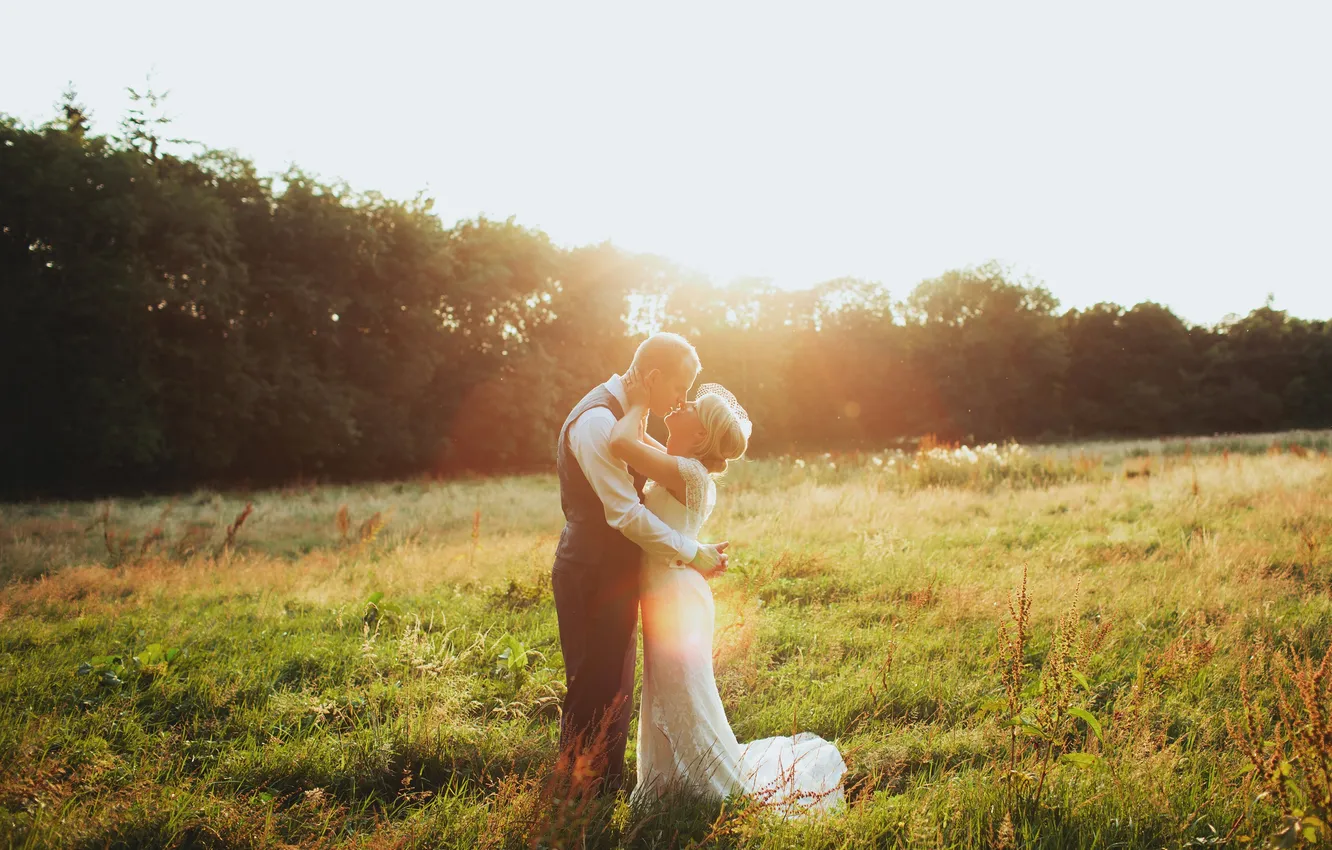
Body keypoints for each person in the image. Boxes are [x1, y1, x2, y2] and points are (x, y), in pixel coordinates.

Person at [610, 376, 846, 814]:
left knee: (681, 693)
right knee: (669, 692)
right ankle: (675, 784)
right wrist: (644, 405)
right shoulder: (681, 465)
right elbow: (638, 438)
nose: (681, 403)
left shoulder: (686, 472)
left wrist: (641, 398)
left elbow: (622, 441)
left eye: (691, 405)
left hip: (675, 599)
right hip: (673, 591)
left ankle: (713, 791)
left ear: (700, 435)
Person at [551, 332, 729, 793]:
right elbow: (624, 512)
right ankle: (580, 796)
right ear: (653, 378)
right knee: (594, 684)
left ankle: (603, 787)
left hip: (620, 572)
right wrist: (694, 552)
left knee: (614, 686)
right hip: (592, 569)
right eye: (680, 387)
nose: (682, 399)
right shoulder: (596, 423)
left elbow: (656, 465)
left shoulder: (627, 415)